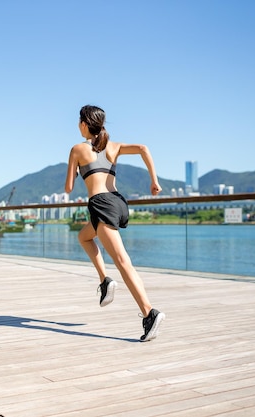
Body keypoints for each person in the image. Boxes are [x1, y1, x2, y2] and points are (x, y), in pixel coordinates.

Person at [64, 105, 165, 342]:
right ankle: (105, 280)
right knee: (84, 237)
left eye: (78, 122)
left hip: (101, 205)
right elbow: (143, 148)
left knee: (122, 261)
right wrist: (154, 181)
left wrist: (77, 170)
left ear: (84, 124)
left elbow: (68, 188)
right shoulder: (113, 146)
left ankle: (149, 312)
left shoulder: (77, 149)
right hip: (118, 203)